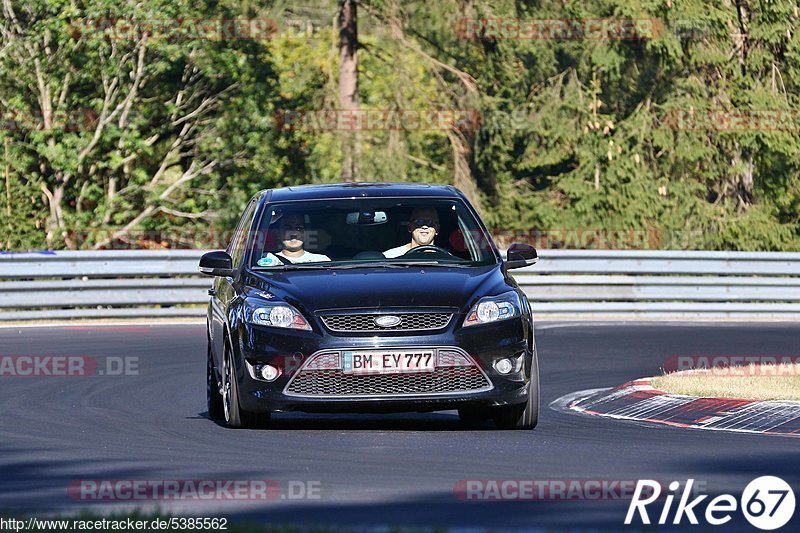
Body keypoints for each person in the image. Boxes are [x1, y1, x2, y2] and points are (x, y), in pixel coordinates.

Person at [257, 213, 330, 266]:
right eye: (287, 228)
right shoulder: (265, 259)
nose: (294, 234)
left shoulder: (321, 261)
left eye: (299, 228)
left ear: (305, 233)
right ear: (278, 234)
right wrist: (267, 221)